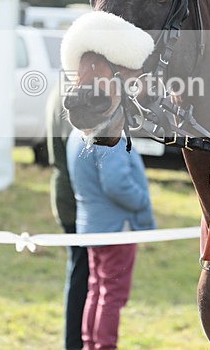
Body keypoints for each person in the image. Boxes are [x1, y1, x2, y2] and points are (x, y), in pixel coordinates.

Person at [67, 130, 156, 350]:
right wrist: (143, 200)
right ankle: (104, 346)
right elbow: (117, 185)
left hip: (93, 226)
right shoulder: (110, 135)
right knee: (112, 295)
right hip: (116, 227)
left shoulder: (76, 132)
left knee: (96, 290)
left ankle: (91, 345)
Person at [46, 89, 88, 350]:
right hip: (76, 198)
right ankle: (74, 343)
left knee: (80, 271)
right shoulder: (73, 95)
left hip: (67, 192)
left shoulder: (58, 91)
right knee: (81, 275)